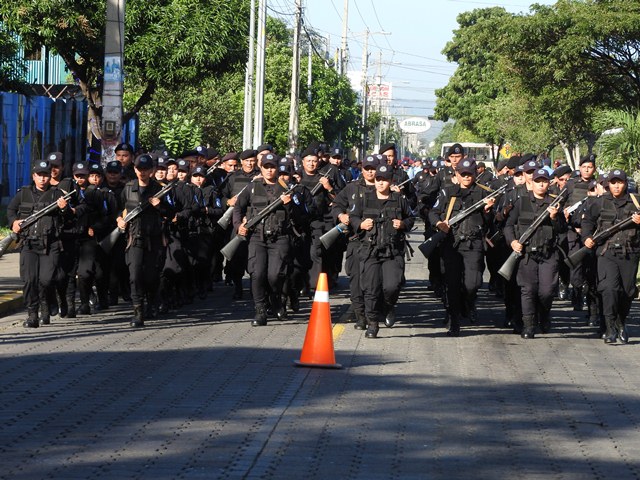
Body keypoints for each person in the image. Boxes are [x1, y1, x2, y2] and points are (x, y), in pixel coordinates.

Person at [233, 153, 309, 326]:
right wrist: (239, 225)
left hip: (280, 237)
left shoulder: (288, 188)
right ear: (261, 168)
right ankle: (260, 310)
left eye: (272, 167)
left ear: (277, 168)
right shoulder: (252, 187)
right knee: (257, 274)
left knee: (275, 275)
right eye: (266, 167)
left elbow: (301, 216)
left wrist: (289, 204)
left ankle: (275, 299)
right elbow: (238, 207)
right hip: (257, 237)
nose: (269, 170)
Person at [428, 159, 496, 336]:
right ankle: (454, 320)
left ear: (475, 174)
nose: (466, 177)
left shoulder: (484, 193)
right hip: (452, 244)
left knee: (473, 284)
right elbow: (433, 212)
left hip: (473, 244)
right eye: (463, 174)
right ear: (457, 174)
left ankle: (468, 302)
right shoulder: (448, 192)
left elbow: (491, 223)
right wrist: (439, 224)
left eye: (469, 174)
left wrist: (488, 211)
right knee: (452, 284)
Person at [349, 164, 414, 338]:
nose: (380, 182)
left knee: (392, 286)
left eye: (384, 180)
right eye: (378, 179)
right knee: (371, 289)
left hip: (392, 252)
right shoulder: (364, 198)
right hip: (370, 251)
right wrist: (360, 224)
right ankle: (372, 323)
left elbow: (411, 218)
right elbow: (353, 216)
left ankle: (388, 306)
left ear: (391, 181)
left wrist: (403, 224)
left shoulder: (399, 199)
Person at [6, 160, 72, 328]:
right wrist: (14, 222)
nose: (43, 179)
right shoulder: (23, 193)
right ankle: (32, 314)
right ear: (33, 176)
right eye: (39, 175)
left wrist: (64, 209)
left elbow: (69, 220)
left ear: (50, 176)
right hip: (28, 244)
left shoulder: (58, 194)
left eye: (46, 175)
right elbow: (11, 210)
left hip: (50, 244)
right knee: (29, 281)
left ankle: (48, 302)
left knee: (46, 280)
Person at [503, 169, 566, 339]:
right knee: (528, 289)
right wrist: (513, 241)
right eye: (538, 181)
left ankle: (544, 315)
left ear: (549, 183)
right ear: (532, 183)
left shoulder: (555, 203)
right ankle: (529, 325)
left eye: (544, 181)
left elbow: (562, 230)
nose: (541, 184)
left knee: (546, 291)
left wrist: (555, 218)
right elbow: (508, 225)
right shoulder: (521, 202)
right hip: (527, 254)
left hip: (548, 254)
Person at [581, 169, 640, 344]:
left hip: (630, 253)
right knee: (608, 289)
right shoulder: (600, 202)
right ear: (608, 184)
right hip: (606, 253)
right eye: (613, 183)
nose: (616, 186)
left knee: (628, 291)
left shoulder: (636, 202)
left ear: (625, 184)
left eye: (619, 182)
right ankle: (609, 327)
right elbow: (587, 221)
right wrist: (586, 237)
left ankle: (621, 321)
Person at [117, 154, 175, 327]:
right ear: (135, 169)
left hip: (154, 239)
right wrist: (119, 220)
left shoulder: (160, 189)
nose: (142, 172)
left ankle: (151, 302)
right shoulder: (128, 188)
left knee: (151, 277)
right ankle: (138, 312)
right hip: (134, 238)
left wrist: (160, 206)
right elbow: (119, 209)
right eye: (139, 169)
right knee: (135, 276)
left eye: (145, 169)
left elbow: (172, 213)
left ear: (152, 170)